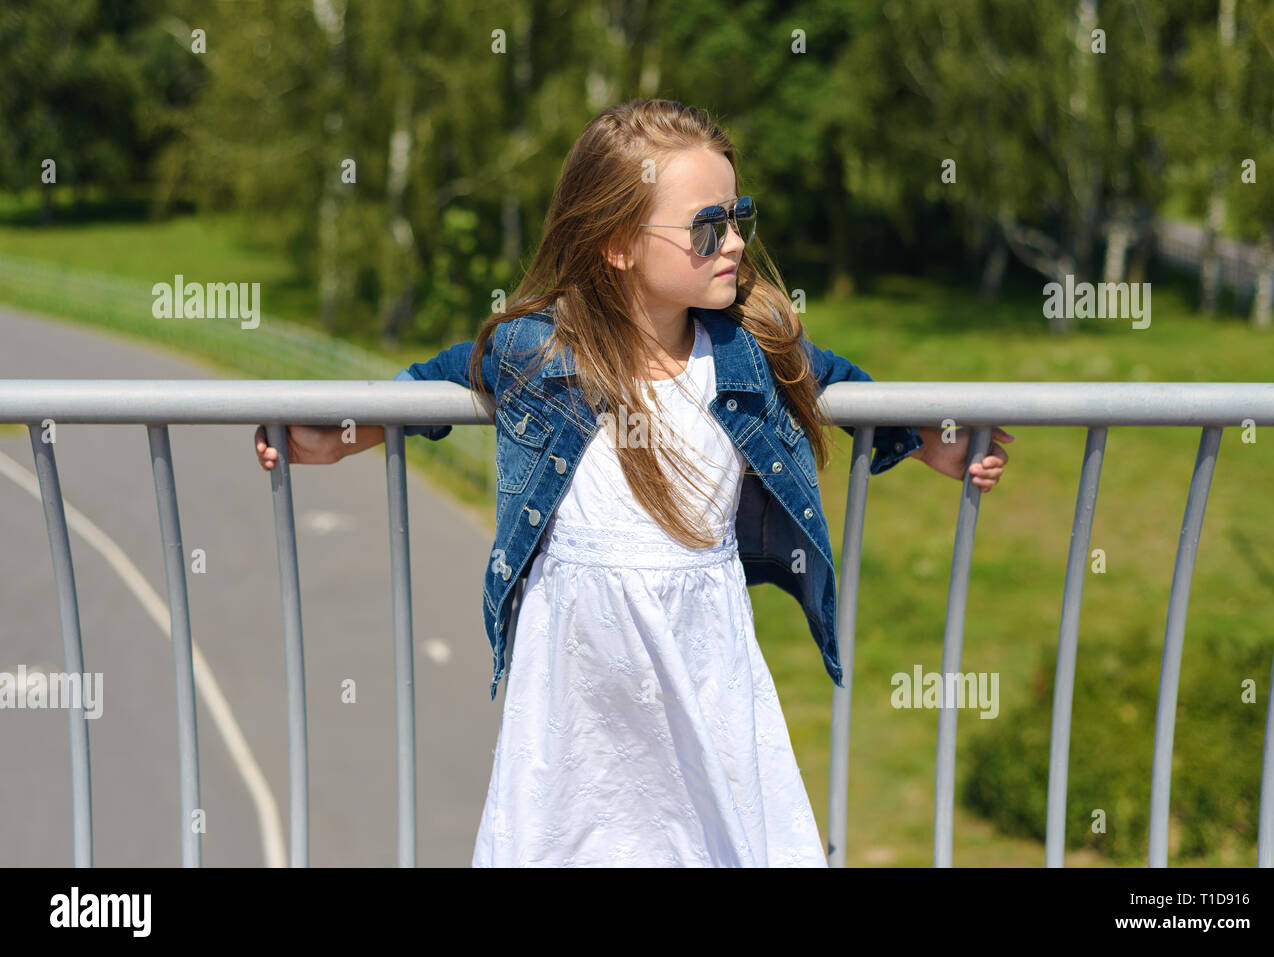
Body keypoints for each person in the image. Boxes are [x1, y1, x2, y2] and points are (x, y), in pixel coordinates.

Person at [253, 98, 1012, 866]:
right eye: (708, 226)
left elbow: (842, 386)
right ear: (617, 244)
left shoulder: (749, 347)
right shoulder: (538, 351)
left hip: (704, 670)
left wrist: (929, 441)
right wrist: (339, 436)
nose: (737, 243)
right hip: (576, 691)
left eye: (739, 215)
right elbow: (435, 385)